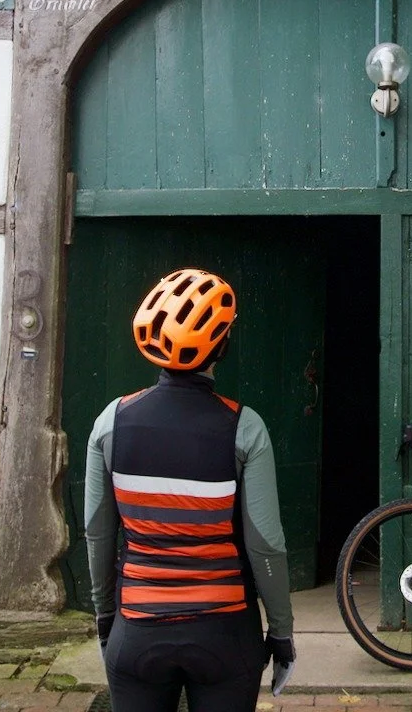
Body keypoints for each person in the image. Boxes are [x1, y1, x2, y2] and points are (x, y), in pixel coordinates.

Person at [84, 268, 296, 712]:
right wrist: (280, 630)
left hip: (136, 629)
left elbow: (97, 532)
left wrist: (107, 617)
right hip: (225, 634)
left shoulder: (112, 422)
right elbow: (266, 544)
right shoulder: (245, 427)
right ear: (221, 346)